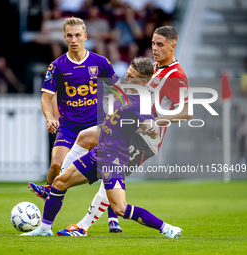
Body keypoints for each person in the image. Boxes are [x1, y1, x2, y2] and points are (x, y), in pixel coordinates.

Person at [32, 25, 192, 236]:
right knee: (85, 136)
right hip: (126, 129)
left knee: (111, 184)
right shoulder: (153, 68)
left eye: (160, 45)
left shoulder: (175, 75)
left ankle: (83, 226)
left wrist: (158, 121)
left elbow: (187, 111)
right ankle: (56, 185)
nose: (155, 48)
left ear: (173, 46)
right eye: (153, 43)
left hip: (143, 140)